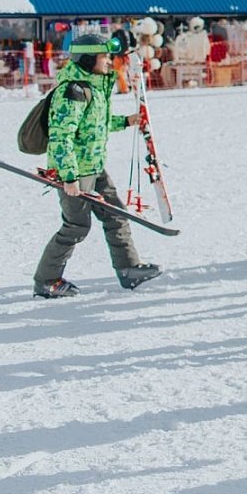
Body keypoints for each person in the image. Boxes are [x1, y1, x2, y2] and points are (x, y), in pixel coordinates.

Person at [32, 30, 160, 298]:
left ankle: (128, 269)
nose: (107, 61)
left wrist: (126, 121)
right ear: (88, 59)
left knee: (116, 215)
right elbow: (61, 135)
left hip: (95, 166)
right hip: (75, 171)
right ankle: (46, 280)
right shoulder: (73, 92)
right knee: (76, 226)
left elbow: (96, 124)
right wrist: (69, 177)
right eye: (102, 56)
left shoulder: (94, 87)